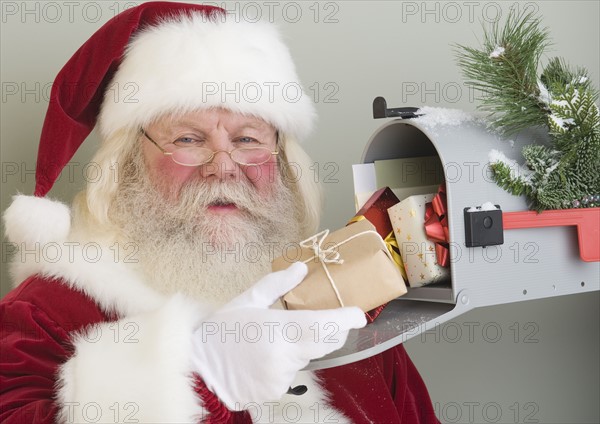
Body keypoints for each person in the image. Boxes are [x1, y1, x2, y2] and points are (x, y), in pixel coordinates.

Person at [0, 2, 440, 423]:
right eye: (189, 140)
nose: (224, 166)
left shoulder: (347, 302)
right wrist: (197, 375)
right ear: (126, 164)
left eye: (248, 139)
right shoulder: (44, 313)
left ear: (284, 162)